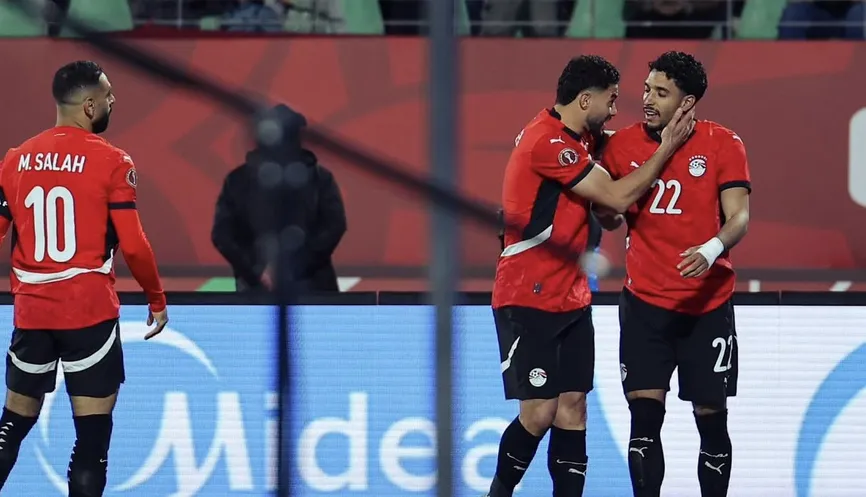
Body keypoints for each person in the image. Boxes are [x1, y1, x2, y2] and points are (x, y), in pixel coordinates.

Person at [487, 54, 695, 497]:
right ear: (585, 100)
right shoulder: (548, 143)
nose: (616, 110)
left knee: (573, 410)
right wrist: (666, 148)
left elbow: (616, 165)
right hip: (528, 297)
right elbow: (616, 198)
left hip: (573, 299)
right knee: (539, 413)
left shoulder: (579, 136)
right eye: (611, 100)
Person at [0, 61, 168, 497]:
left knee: (11, 426)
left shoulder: (15, 160)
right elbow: (134, 245)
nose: (113, 101)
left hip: (32, 315)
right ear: (90, 105)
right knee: (91, 443)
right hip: (88, 314)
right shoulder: (113, 161)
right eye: (108, 95)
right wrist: (156, 298)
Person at [599, 51, 751, 497]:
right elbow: (609, 215)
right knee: (644, 423)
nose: (647, 100)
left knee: (712, 421)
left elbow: (739, 217)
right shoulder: (621, 146)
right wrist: (606, 213)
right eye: (647, 89)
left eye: (661, 93)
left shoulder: (724, 143)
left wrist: (712, 247)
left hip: (707, 307)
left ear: (687, 103)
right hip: (644, 307)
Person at [212, 108, 347, 293]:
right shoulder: (236, 181)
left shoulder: (321, 178)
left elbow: (334, 226)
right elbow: (223, 235)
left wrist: (284, 268)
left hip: (311, 287)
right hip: (259, 288)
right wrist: (259, 271)